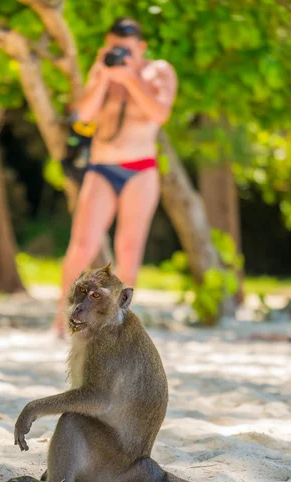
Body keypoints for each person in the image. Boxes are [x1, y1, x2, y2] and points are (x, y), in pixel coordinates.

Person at [55, 17, 177, 335]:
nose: (119, 53)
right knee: (81, 246)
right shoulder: (103, 71)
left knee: (129, 247)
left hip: (140, 169)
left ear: (141, 47)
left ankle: (119, 324)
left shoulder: (158, 71)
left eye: (125, 48)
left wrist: (131, 77)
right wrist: (104, 76)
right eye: (113, 47)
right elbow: (83, 114)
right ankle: (62, 319)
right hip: (101, 167)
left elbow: (160, 114)